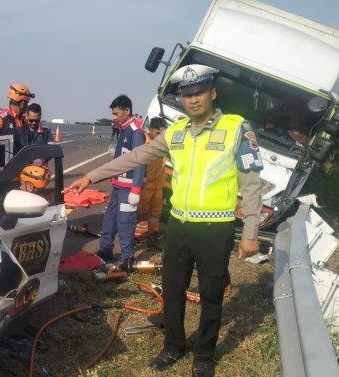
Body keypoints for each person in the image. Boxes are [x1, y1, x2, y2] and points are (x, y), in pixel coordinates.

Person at [64, 64, 263, 377]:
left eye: (199, 93)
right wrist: (91, 175)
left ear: (213, 93)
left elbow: (252, 184)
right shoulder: (177, 132)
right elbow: (135, 157)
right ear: (182, 99)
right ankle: (173, 346)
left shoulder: (237, 129)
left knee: (211, 295)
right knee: (172, 290)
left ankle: (204, 356)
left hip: (216, 228)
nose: (193, 100)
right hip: (180, 227)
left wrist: (250, 231)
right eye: (187, 95)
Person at [94, 95, 145, 267]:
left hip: (128, 188)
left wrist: (136, 190)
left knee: (125, 221)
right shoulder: (123, 128)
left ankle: (126, 257)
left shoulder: (135, 131)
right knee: (109, 219)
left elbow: (139, 161)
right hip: (118, 186)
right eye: (113, 114)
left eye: (116, 114)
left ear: (127, 111)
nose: (114, 117)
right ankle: (105, 250)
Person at [0, 83, 35, 175]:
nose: (26, 106)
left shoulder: (22, 120)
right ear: (20, 103)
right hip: (2, 176)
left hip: (18, 173)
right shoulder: (0, 118)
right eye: (26, 103)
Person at [137, 116, 167, 248]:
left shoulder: (164, 145)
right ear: (150, 129)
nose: (160, 135)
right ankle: (132, 237)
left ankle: (152, 237)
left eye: (162, 133)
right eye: (157, 132)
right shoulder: (142, 144)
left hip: (158, 186)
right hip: (145, 186)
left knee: (156, 214)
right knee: (139, 213)